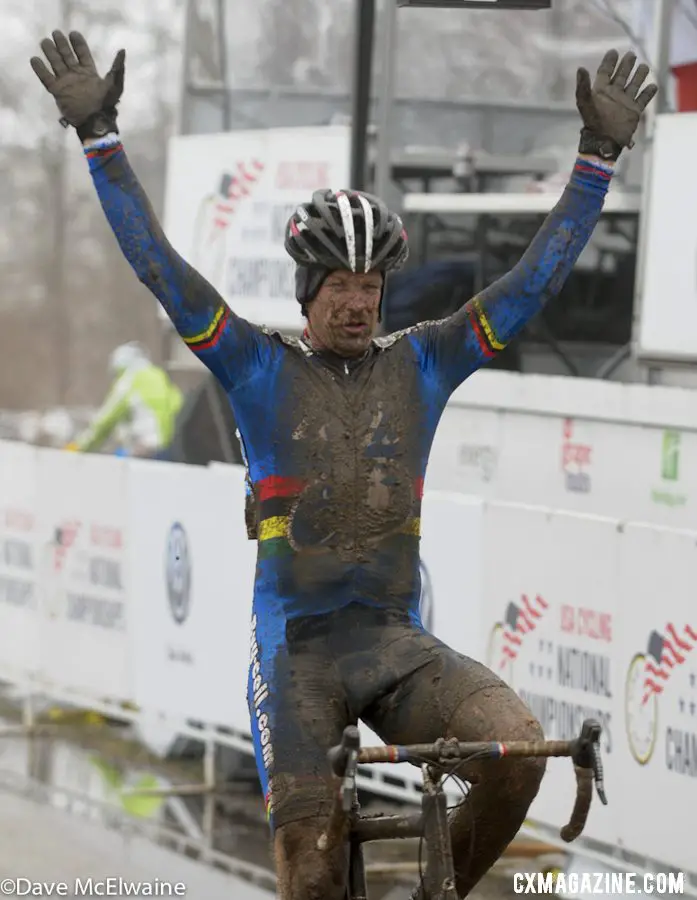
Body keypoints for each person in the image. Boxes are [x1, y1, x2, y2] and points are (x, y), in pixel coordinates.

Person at [30, 31, 656, 899]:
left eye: (370, 286)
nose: (358, 303)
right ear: (306, 292)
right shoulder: (255, 367)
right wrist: (100, 138)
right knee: (314, 874)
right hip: (297, 657)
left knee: (514, 750)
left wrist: (595, 159)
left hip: (396, 643)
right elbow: (159, 270)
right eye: (339, 288)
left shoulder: (425, 364)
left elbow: (528, 286)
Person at [65, 340, 183, 458]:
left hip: (144, 449)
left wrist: (78, 447)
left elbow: (105, 421)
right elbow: (177, 405)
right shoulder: (159, 375)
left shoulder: (129, 380)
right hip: (168, 449)